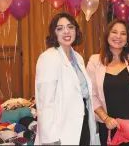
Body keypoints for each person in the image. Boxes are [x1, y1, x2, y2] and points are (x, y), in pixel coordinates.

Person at [34, 13, 99, 145]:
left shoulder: (78, 58)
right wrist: (50, 138)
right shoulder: (48, 57)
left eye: (70, 27)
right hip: (61, 129)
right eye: (60, 28)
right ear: (54, 33)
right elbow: (45, 102)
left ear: (76, 30)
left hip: (83, 124)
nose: (66, 31)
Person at [86, 18, 129, 146]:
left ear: (127, 39)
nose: (118, 36)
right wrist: (105, 118)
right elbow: (91, 94)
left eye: (123, 33)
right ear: (107, 36)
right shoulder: (94, 61)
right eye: (114, 32)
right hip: (109, 128)